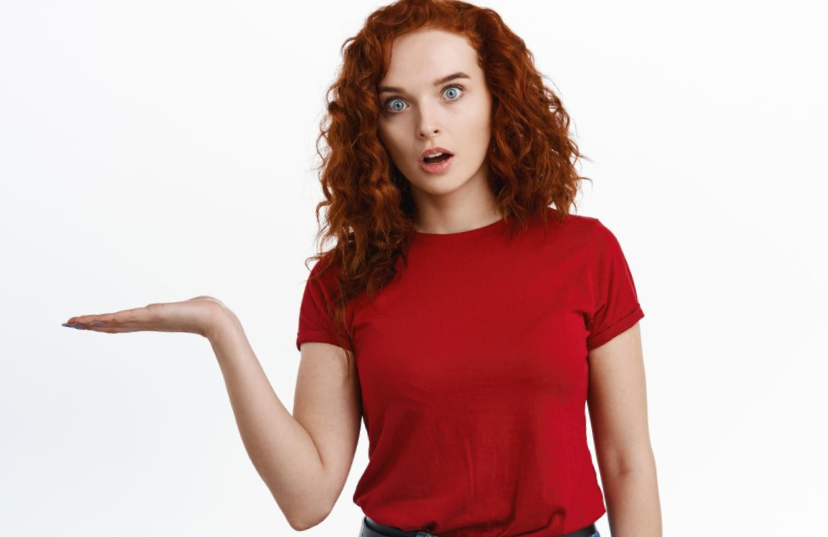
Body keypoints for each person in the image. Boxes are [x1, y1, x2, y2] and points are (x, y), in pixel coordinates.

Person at [61, 0, 662, 536]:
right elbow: (306, 500)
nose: (426, 123)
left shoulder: (585, 253)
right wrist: (221, 329)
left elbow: (628, 463)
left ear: (497, 97)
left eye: (452, 91)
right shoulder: (344, 279)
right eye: (396, 103)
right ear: (371, 128)